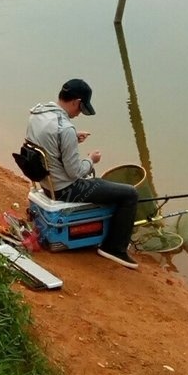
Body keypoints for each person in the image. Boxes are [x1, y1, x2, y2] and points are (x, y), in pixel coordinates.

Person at [25, 78, 139, 270]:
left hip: (46, 183)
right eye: (80, 109)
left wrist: (72, 140)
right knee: (129, 194)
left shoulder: (37, 114)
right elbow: (75, 172)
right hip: (66, 189)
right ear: (77, 102)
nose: (79, 114)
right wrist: (90, 159)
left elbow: (49, 146)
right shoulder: (65, 128)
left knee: (111, 189)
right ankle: (114, 248)